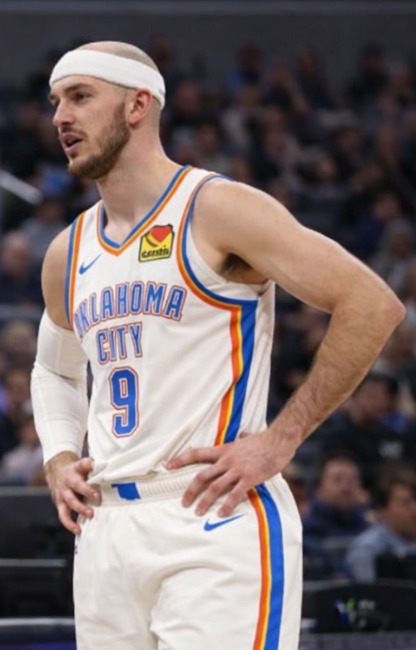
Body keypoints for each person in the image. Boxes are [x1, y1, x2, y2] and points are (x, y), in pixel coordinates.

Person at [32, 41, 405, 649]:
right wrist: (56, 456)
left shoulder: (216, 208)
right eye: (55, 102)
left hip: (211, 515)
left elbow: (372, 305)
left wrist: (280, 441)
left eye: (80, 97)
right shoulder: (66, 251)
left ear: (137, 105)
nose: (60, 118)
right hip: (104, 531)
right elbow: (54, 370)